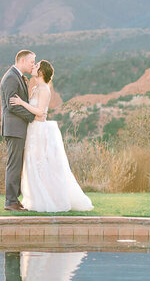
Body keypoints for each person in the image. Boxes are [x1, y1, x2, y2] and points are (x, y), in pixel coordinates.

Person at [10, 60, 94, 212]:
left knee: (41, 165)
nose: (33, 67)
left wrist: (21, 103)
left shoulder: (44, 90)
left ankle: (49, 199)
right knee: (32, 164)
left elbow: (41, 112)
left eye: (36, 66)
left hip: (39, 131)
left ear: (41, 72)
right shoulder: (36, 88)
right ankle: (36, 199)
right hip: (32, 129)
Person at [0, 49, 37, 211]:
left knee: (18, 165)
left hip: (18, 129)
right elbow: (11, 105)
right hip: (14, 129)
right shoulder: (10, 78)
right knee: (14, 165)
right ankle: (10, 201)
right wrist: (31, 116)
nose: (33, 65)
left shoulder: (18, 77)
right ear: (22, 61)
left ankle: (15, 199)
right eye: (31, 62)